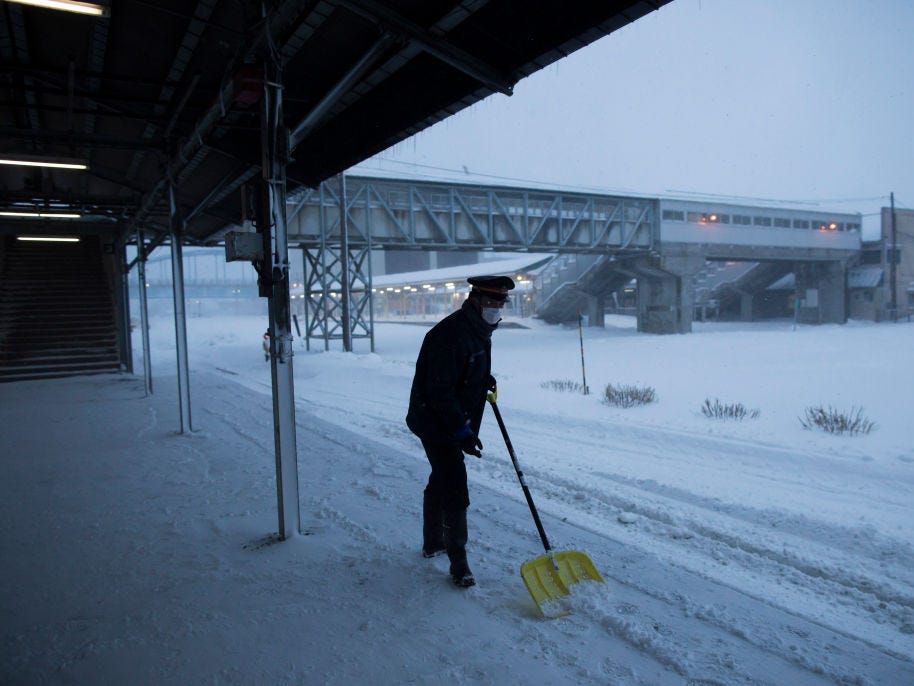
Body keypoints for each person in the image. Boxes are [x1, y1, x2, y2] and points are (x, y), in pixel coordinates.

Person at [406, 275, 515, 588]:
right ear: (476, 299)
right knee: (454, 482)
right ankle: (459, 563)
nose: (496, 308)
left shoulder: (478, 328)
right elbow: (440, 390)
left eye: (501, 303)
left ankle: (432, 542)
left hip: (450, 417)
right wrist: (462, 431)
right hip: (433, 418)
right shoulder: (452, 334)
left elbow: (463, 367)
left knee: (441, 477)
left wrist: (483, 379)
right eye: (492, 301)